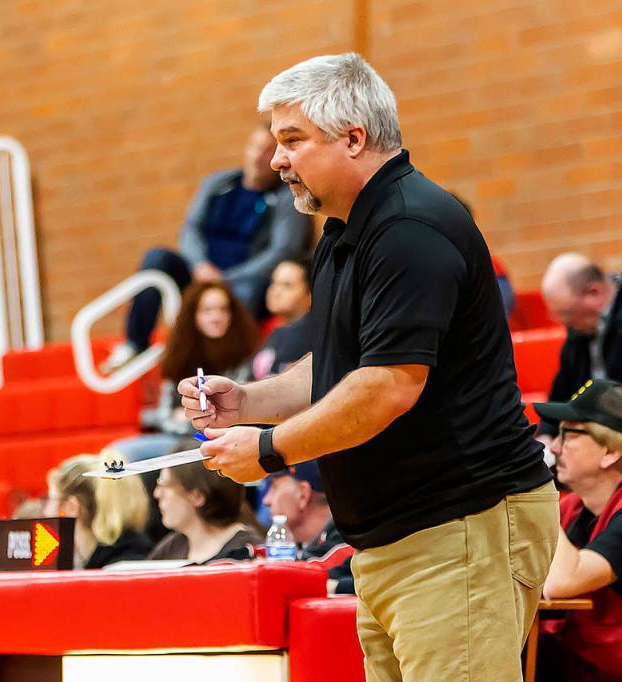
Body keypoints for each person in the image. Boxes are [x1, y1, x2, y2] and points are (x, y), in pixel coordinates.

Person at [178, 53, 558, 681]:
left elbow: (386, 389)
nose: (277, 161)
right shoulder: (346, 231)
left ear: (354, 138)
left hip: (459, 528)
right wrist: (246, 402)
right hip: (397, 540)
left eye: (292, 140)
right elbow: (338, 369)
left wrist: (270, 450)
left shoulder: (409, 227)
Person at [102, 125, 311, 372]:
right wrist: (200, 266)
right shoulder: (218, 184)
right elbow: (190, 230)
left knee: (248, 291)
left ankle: (230, 369)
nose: (258, 156)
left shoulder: (285, 197)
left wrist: (225, 279)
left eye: (267, 151)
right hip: (200, 275)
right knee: (157, 259)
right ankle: (135, 344)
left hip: (245, 282)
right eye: (255, 147)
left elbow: (282, 251)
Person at [533, 380, 622, 682]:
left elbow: (562, 582)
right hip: (575, 662)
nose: (553, 446)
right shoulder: (573, 508)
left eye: (569, 433)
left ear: (610, 452)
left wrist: (537, 486)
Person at [109, 280, 259, 462]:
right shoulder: (180, 354)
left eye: (223, 309)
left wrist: (186, 416)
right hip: (181, 438)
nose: (216, 317)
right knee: (117, 453)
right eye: (207, 310)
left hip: (224, 439)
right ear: (193, 315)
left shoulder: (245, 355)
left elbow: (225, 417)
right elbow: (164, 414)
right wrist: (191, 420)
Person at [538, 253, 622, 439]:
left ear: (593, 292)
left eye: (567, 314)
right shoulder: (580, 329)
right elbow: (561, 390)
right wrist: (547, 435)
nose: (565, 322)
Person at [261, 460, 354, 594]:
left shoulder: (350, 538)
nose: (266, 500)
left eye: (274, 487)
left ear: (303, 495)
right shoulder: (306, 547)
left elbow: (290, 578)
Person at [45, 455, 153, 568]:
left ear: (71, 507)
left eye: (50, 499)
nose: (46, 511)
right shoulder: (139, 554)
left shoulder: (116, 573)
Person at [148, 457, 263, 564]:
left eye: (165, 485)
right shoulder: (172, 546)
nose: (157, 494)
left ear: (197, 496)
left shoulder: (248, 551)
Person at [252, 259, 313, 380]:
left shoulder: (311, 336)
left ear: (310, 294)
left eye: (287, 286)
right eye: (274, 283)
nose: (275, 291)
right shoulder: (270, 328)